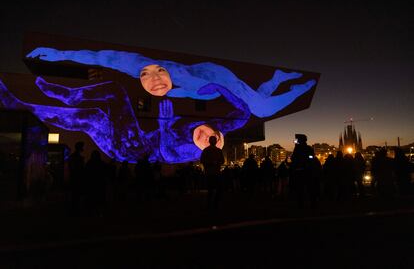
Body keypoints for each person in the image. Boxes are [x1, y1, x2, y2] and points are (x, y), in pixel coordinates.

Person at [0, 79, 248, 164]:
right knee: (90, 118)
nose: (202, 138)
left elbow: (168, 154)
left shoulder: (190, 151)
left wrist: (163, 125)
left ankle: (61, 95)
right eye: (207, 136)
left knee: (116, 92)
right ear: (216, 133)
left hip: (134, 148)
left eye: (202, 144)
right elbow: (244, 111)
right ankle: (20, 105)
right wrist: (219, 87)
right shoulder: (220, 126)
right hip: (125, 145)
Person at [26, 47, 317, 118]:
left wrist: (57, 54)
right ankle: (278, 80)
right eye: (147, 80)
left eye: (157, 74)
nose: (154, 81)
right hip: (208, 82)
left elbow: (96, 55)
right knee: (254, 102)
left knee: (262, 110)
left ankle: (299, 87)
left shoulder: (130, 62)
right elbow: (205, 95)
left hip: (213, 73)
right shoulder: (175, 93)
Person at [200, 136, 225, 211]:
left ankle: (211, 205)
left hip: (211, 173)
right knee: (215, 190)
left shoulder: (206, 150)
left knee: (212, 190)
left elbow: (202, 160)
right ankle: (213, 205)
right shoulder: (217, 151)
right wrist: (214, 163)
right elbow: (222, 161)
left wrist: (211, 163)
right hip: (214, 173)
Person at [68, 141, 85, 215]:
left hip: (74, 179)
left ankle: (73, 209)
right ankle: (75, 210)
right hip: (77, 179)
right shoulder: (78, 158)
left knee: (74, 196)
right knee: (76, 196)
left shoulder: (72, 157)